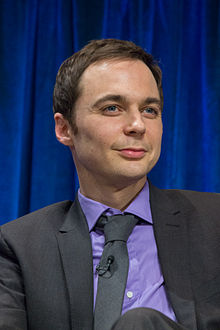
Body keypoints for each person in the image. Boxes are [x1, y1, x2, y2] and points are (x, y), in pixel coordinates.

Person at [0, 39, 220, 330]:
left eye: (150, 110)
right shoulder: (19, 247)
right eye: (113, 108)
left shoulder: (214, 221)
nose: (138, 125)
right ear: (64, 128)